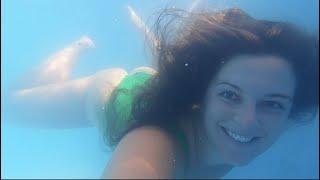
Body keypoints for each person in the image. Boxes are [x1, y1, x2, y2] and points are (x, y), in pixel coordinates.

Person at [7, 8, 318, 179]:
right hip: (116, 96)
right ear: (203, 94)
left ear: (290, 110)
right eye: (230, 95)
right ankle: (77, 48)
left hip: (165, 91)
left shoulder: (261, 122)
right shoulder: (154, 143)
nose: (249, 121)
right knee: (9, 104)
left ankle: (141, 32)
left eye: (272, 104)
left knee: (169, 68)